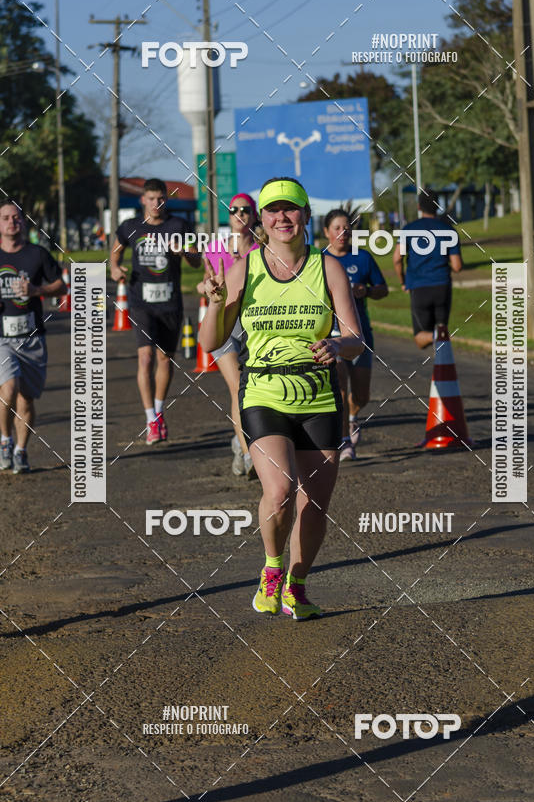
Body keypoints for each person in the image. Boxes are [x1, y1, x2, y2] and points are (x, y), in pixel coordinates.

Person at [200, 177, 363, 620]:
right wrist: (216, 303)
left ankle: (297, 584)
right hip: (264, 393)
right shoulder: (245, 269)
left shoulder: (328, 268)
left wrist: (337, 344)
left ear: (306, 215)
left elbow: (355, 338)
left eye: (291, 209)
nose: (282, 217)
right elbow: (211, 341)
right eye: (273, 210)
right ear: (262, 219)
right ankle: (272, 569)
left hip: (318, 397)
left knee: (316, 502)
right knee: (280, 490)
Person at [110, 178, 203, 444]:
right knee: (145, 358)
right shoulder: (130, 227)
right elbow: (115, 252)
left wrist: (184, 252)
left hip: (170, 302)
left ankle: (159, 412)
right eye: (151, 199)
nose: (156, 203)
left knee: (164, 360)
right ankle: (150, 418)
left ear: (166, 199)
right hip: (141, 302)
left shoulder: (179, 226)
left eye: (160, 198)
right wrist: (115, 268)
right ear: (143, 200)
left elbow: (196, 261)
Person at [197, 193, 261, 478]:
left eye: (245, 210)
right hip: (222, 324)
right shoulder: (214, 248)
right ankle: (249, 455)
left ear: (254, 215)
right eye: (234, 210)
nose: (239, 214)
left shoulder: (262, 250)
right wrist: (208, 288)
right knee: (237, 388)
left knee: (253, 387)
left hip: (251, 325)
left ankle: (239, 440)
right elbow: (203, 283)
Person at [0, 200, 66, 473]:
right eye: (6, 218)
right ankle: (5, 440)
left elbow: (61, 286)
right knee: (8, 389)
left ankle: (21, 450)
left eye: (16, 217)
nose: (11, 222)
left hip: (32, 338)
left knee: (26, 399)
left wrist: (37, 291)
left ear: (23, 222)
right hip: (2, 338)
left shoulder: (37, 254)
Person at [322, 209, 388, 461]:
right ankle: (345, 441)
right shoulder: (319, 260)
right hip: (331, 335)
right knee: (338, 388)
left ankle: (352, 417)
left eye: (347, 228)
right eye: (337, 228)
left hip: (360, 335)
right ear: (326, 232)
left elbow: (383, 289)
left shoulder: (362, 258)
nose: (343, 233)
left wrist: (366, 290)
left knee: (362, 395)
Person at [393, 188, 462, 348]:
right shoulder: (448, 229)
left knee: (420, 339)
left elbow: (397, 259)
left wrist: (403, 281)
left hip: (418, 287)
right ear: (438, 206)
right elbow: (457, 266)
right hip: (442, 285)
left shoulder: (409, 229)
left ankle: (436, 337)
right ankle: (441, 346)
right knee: (442, 332)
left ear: (419, 207)